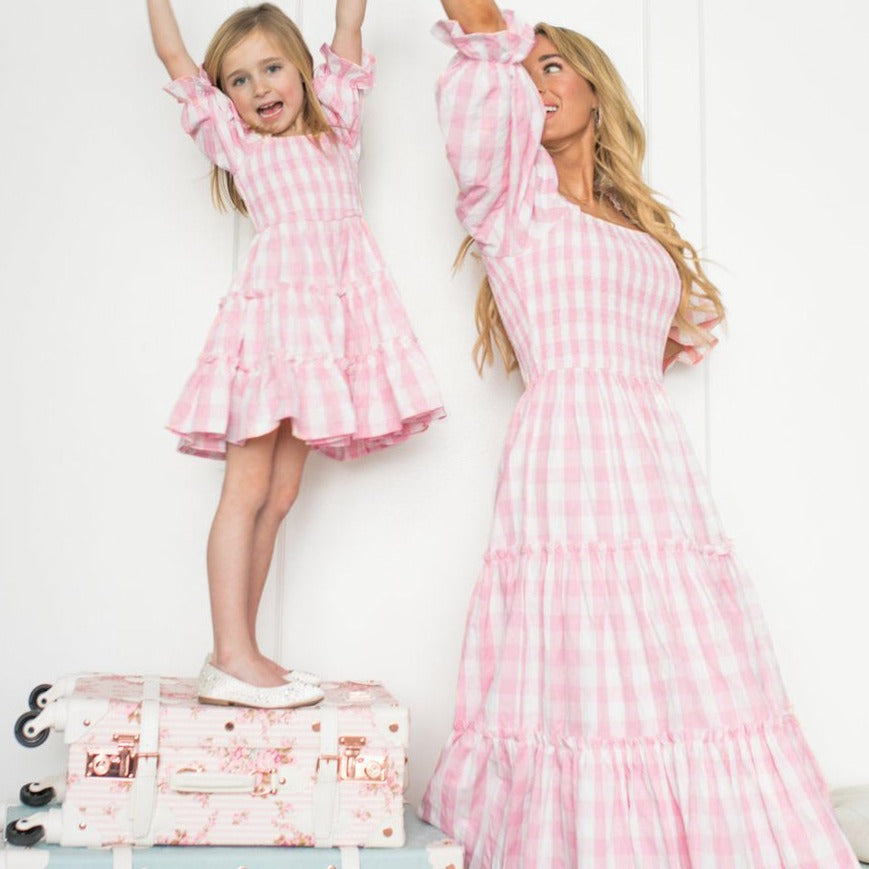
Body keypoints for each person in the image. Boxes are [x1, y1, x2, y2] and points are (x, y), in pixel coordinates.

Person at [419, 1, 858, 865]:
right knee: (583, 649)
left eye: (550, 66)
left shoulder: (635, 224)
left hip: (648, 454)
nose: (531, 83)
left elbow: (651, 342)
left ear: (594, 87)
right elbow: (479, 31)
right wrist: (497, 46)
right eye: (520, 72)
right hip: (568, 449)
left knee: (682, 652)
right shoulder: (511, 202)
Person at [146, 0, 444, 709]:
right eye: (238, 80)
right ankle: (230, 654)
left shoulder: (338, 122)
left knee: (280, 495)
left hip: (326, 330)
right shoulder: (239, 143)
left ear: (304, 72)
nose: (258, 88)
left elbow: (349, 27)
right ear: (225, 98)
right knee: (245, 490)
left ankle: (240, 654)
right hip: (275, 327)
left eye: (271, 68)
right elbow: (175, 60)